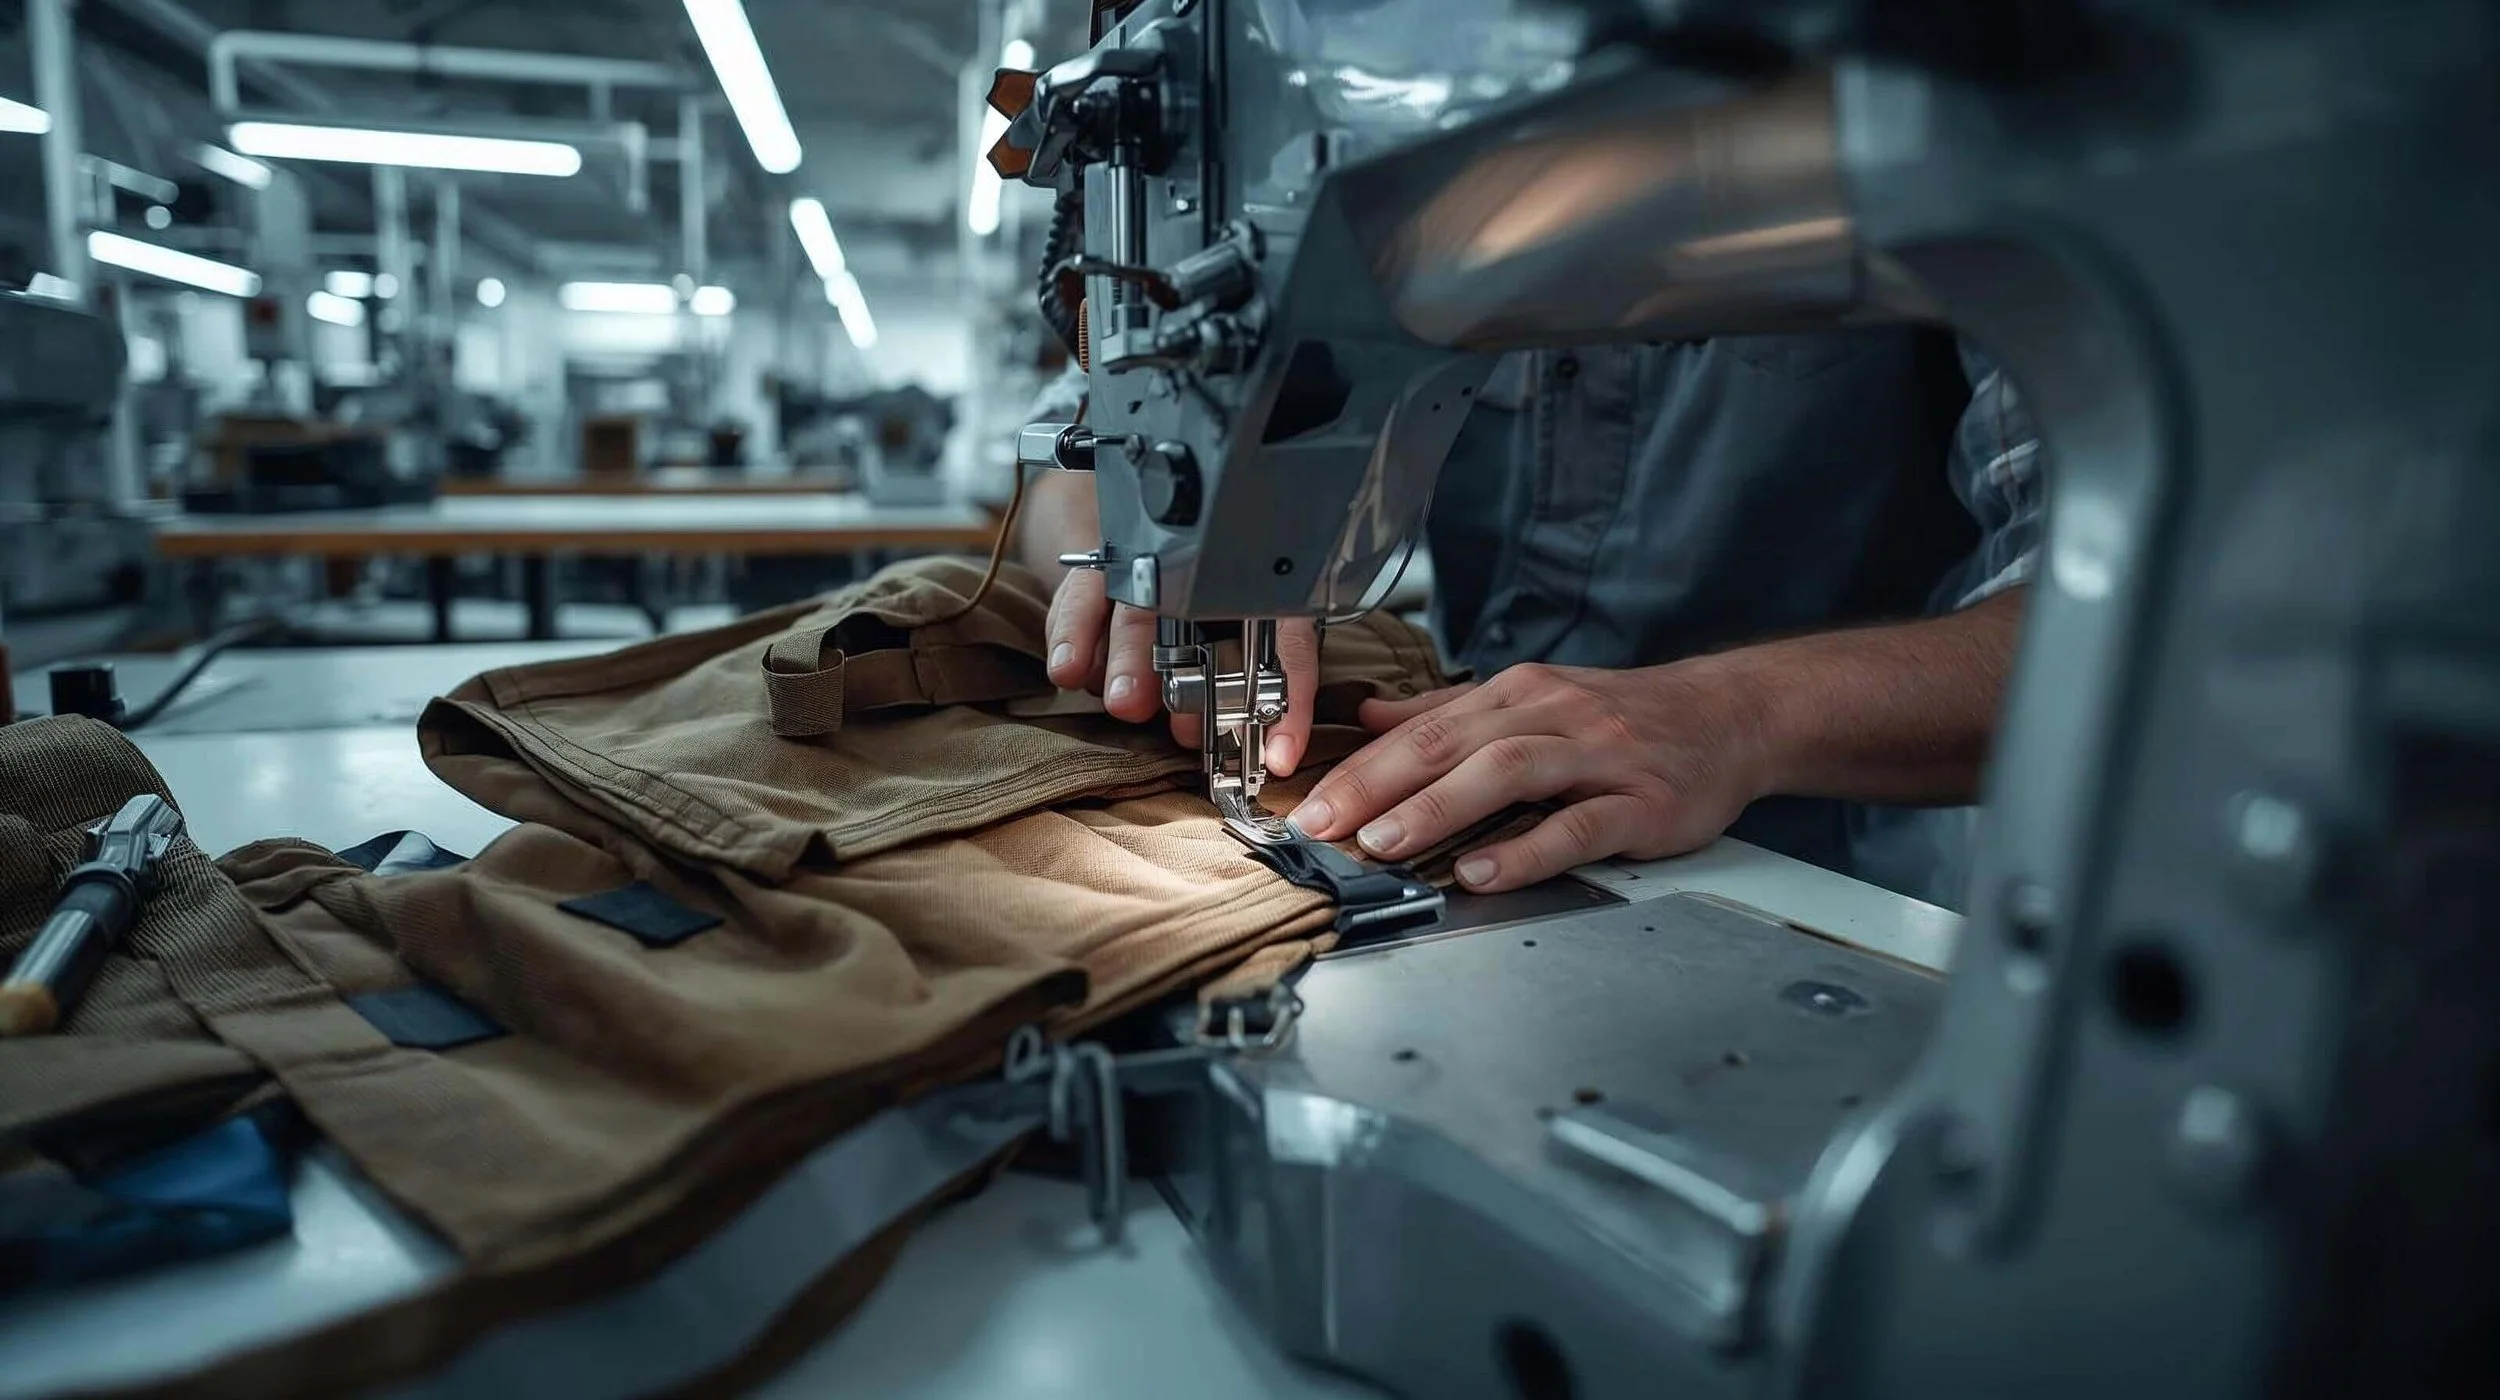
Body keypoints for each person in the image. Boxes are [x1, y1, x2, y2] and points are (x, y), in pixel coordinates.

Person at [1015, 327, 2042, 909]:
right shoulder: (1363, 98)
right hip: (1460, 783)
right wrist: (1140, 524)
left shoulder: (1962, 82)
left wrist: (1736, 713)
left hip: (1830, 873)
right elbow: (1077, 444)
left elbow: (2141, 622)